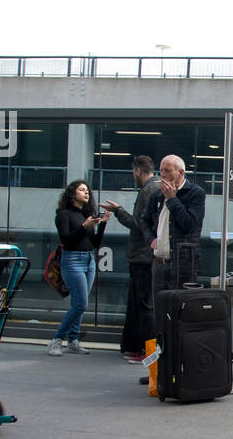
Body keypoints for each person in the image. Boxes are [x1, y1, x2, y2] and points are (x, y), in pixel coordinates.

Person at [100, 155, 160, 363]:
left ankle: (145, 350)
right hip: (148, 255)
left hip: (142, 256)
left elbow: (137, 223)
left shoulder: (148, 190)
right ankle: (134, 347)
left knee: (142, 304)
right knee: (139, 303)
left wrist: (118, 211)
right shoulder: (157, 187)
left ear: (137, 170)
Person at [49, 180, 109, 356]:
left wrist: (103, 223)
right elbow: (67, 240)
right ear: (72, 194)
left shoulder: (86, 215)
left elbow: (95, 243)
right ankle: (56, 339)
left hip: (89, 260)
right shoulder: (63, 215)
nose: (86, 193)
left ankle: (73, 339)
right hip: (72, 260)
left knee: (79, 304)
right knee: (81, 304)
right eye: (82, 190)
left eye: (87, 190)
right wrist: (84, 227)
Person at [141, 155, 206, 298]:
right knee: (159, 309)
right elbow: (144, 220)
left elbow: (190, 225)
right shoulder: (157, 194)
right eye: (161, 170)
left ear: (181, 173)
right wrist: (151, 239)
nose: (163, 174)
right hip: (159, 262)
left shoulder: (195, 193)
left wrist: (172, 199)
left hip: (182, 264)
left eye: (168, 170)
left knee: (180, 310)